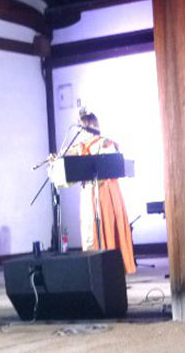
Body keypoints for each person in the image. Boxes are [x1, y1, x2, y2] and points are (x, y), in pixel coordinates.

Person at [68, 108, 136, 275]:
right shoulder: (79, 147)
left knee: (106, 226)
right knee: (89, 228)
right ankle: (94, 269)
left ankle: (111, 267)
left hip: (105, 191)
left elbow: (112, 166)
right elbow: (68, 166)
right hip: (88, 192)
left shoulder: (106, 144)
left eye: (82, 128)